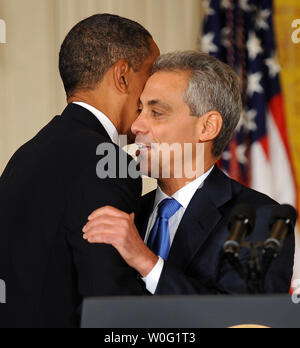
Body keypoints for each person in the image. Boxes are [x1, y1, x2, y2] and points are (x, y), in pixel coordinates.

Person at [83, 51, 295, 295]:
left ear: (207, 127)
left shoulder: (262, 221)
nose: (136, 126)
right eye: (140, 110)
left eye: (156, 112)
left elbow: (244, 319)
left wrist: (146, 263)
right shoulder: (125, 211)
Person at [0, 14, 160, 328]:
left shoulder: (25, 155)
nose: (152, 91)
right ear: (123, 76)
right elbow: (107, 301)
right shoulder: (108, 161)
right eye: (150, 75)